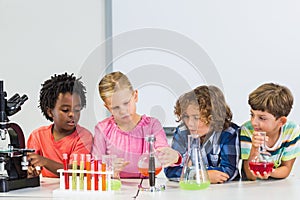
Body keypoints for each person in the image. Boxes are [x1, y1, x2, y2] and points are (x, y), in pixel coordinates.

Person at [92, 71, 181, 178]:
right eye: (115, 107)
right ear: (107, 107)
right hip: (116, 188)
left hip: (145, 187)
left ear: (135, 96)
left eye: (126, 103)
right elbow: (93, 165)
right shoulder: (102, 129)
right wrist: (107, 168)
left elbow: (164, 153)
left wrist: (175, 157)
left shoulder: (152, 125)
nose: (123, 111)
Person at [164, 85, 240, 184]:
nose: (190, 123)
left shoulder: (229, 133)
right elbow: (170, 171)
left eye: (196, 118)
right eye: (186, 116)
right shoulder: (182, 132)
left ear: (213, 118)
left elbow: (229, 171)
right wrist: (202, 175)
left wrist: (188, 172)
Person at [27, 73, 93, 178]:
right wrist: (31, 171)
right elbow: (30, 165)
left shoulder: (84, 137)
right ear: (50, 112)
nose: (72, 114)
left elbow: (76, 172)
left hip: (72, 191)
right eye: (65, 110)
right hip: (44, 191)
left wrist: (45, 162)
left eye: (77, 110)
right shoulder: (37, 136)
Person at [240, 83, 300, 180]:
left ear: (281, 121)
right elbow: (250, 175)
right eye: (252, 115)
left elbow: (286, 169)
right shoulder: (247, 130)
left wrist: (268, 171)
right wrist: (254, 148)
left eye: (262, 118)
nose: (254, 122)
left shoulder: (291, 131)